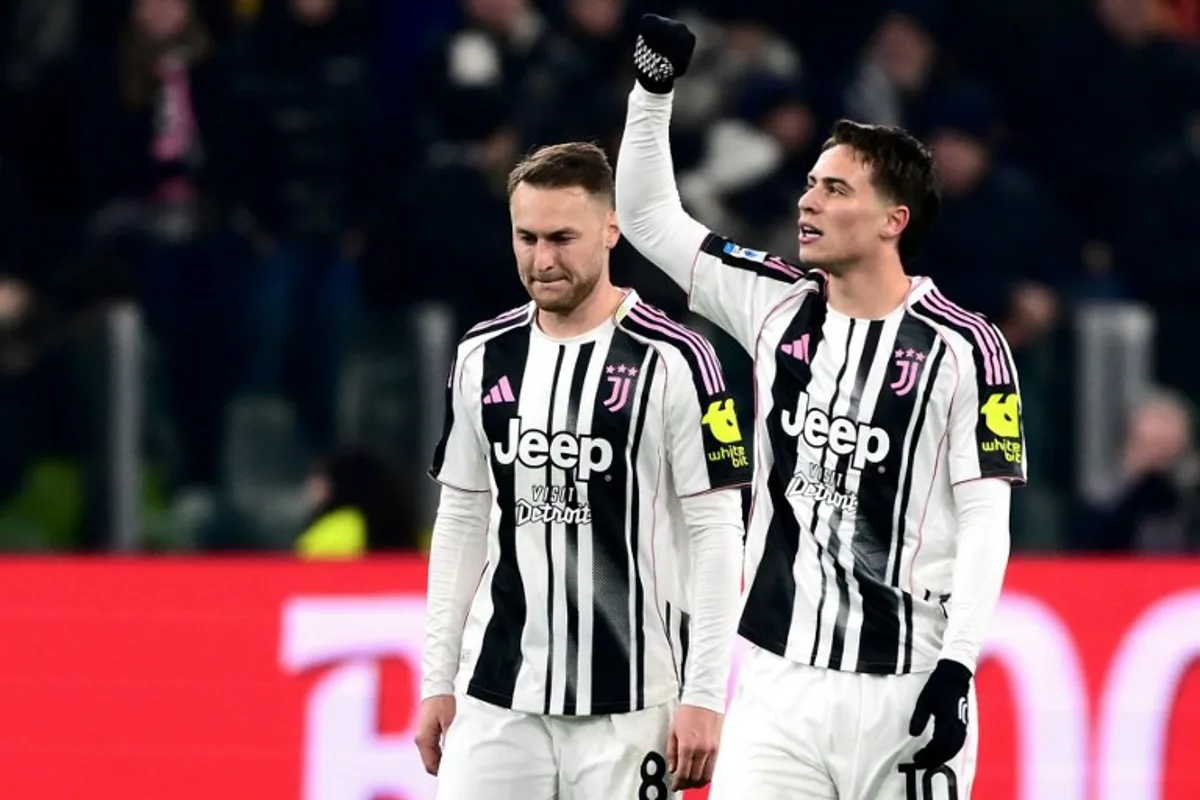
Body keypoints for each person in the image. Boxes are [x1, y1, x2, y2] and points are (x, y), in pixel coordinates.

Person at [616, 15, 1026, 800]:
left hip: (908, 685)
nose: (808, 200)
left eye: (835, 189)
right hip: (779, 686)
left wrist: (958, 667)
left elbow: (985, 521)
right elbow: (647, 220)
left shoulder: (965, 348)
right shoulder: (772, 302)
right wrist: (652, 91)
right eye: (810, 183)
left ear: (893, 220)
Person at [415, 141, 752, 799]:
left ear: (610, 229)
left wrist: (706, 694)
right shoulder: (483, 355)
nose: (542, 260)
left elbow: (718, 532)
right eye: (527, 238)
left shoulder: (679, 359)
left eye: (562, 238)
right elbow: (460, 520)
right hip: (498, 695)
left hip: (633, 702)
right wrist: (437, 680)